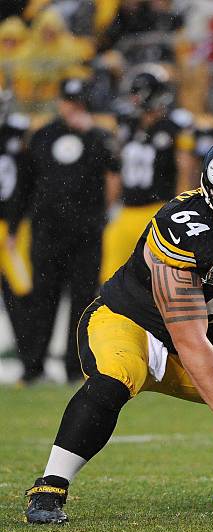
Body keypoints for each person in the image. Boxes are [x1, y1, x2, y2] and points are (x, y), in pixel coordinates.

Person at [24, 135, 213, 524]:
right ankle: (50, 488)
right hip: (132, 325)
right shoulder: (183, 228)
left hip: (212, 339)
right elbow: (187, 336)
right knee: (114, 378)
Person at [10, 78, 121, 383]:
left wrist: (101, 214)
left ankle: (77, 367)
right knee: (42, 299)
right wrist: (15, 224)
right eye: (69, 102)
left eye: (78, 103)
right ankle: (33, 368)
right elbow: (26, 183)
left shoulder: (99, 137)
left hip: (86, 233)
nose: (73, 109)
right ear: (60, 102)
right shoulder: (43, 135)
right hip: (47, 231)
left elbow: (114, 172)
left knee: (84, 300)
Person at [100, 64, 196, 284]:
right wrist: (109, 206)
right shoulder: (128, 124)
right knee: (110, 279)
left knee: (159, 280)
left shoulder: (174, 127)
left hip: (157, 210)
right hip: (126, 210)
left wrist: (181, 210)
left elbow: (185, 171)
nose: (133, 100)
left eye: (137, 93)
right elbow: (116, 169)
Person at [0, 86, 32, 367]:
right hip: (12, 224)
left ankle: (29, 355)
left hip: (12, 227)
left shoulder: (16, 134)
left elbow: (25, 184)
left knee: (21, 291)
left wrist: (14, 224)